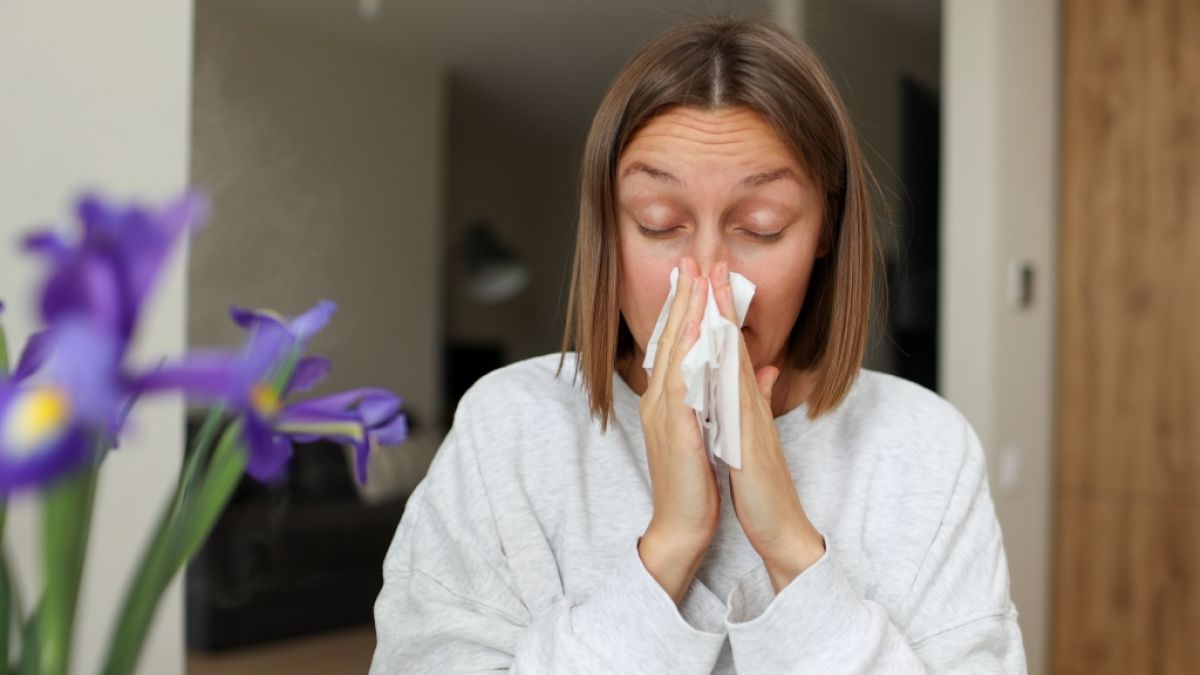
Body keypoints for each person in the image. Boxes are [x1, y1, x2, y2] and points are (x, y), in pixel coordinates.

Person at [371, 16, 1027, 674]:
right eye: (659, 224)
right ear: (611, 229)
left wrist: (794, 551)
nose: (709, 279)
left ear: (824, 230)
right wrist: (668, 546)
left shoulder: (923, 448)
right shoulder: (508, 429)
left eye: (762, 228)